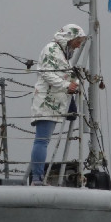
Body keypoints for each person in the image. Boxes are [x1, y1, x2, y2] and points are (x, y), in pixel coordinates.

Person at [28, 24, 86, 186]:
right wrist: (66, 86)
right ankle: (37, 178)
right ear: (69, 37)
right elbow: (47, 74)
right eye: (77, 40)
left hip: (54, 103)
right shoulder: (51, 49)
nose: (78, 44)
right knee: (42, 140)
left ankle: (38, 177)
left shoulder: (61, 53)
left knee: (43, 140)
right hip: (47, 102)